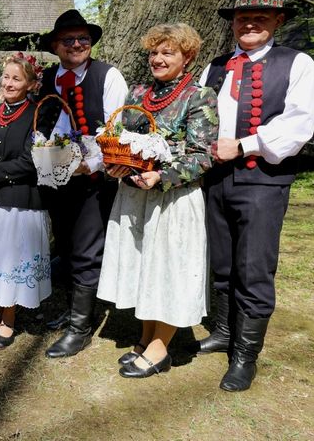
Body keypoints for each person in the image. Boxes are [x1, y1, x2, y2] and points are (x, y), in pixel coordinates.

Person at [197, 0, 314, 392]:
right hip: (215, 178)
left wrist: (246, 144)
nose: (249, 24)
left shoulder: (297, 63)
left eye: (260, 18)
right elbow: (197, 116)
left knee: (254, 267)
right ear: (232, 23)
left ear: (277, 22)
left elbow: (298, 124)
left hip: (263, 180)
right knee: (221, 260)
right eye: (242, 17)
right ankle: (222, 331)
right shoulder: (215, 67)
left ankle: (245, 355)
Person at [97, 23, 219, 378]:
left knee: (168, 269)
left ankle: (160, 347)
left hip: (173, 199)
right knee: (145, 268)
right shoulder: (138, 94)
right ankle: (146, 335)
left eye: (168, 52)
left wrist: (161, 176)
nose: (158, 59)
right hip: (136, 196)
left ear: (188, 57)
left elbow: (202, 155)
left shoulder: (200, 97)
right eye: (154, 52)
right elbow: (122, 141)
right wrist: (117, 167)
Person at [35, 9, 129, 359]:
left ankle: (80, 329)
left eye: (83, 39)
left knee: (88, 250)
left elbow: (114, 133)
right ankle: (72, 311)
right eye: (68, 40)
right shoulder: (47, 78)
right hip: (54, 175)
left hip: (92, 178)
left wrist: (88, 164)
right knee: (67, 245)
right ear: (56, 46)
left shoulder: (108, 76)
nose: (76, 45)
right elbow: (39, 124)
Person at [0, 54, 52, 348]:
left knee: (12, 258)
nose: (9, 83)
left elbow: (34, 160)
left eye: (17, 79)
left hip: (20, 199)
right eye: (6, 77)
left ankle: (10, 317)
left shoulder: (38, 114)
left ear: (31, 83)